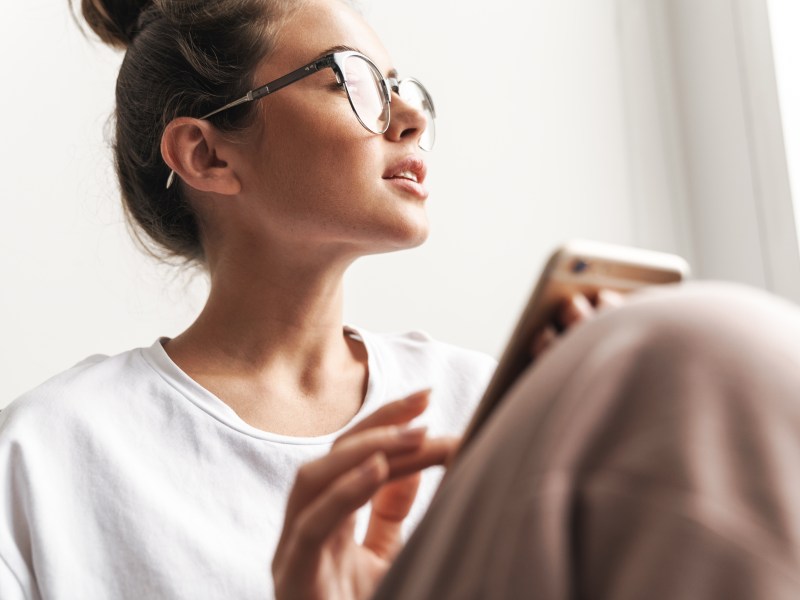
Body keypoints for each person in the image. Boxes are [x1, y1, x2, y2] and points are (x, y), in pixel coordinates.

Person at [4, 2, 800, 600]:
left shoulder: (482, 404)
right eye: (353, 81)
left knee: (691, 376)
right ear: (208, 153)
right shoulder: (46, 459)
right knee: (704, 347)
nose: (412, 117)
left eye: (402, 87)